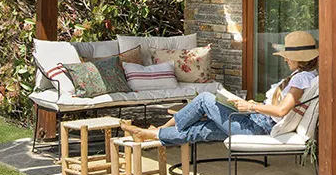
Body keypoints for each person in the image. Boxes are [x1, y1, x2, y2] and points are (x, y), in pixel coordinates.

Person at [122, 31, 319, 146]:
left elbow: (281, 110)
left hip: (257, 127)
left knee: (205, 99)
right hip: (256, 123)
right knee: (201, 130)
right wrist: (251, 104)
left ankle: (161, 129)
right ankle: (150, 135)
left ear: (301, 58)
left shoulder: (301, 79)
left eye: (287, 56)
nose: (285, 59)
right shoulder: (303, 77)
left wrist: (250, 106)